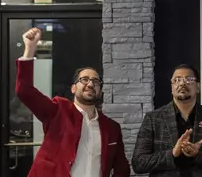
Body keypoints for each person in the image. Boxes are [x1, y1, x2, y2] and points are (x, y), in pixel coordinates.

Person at [15, 27, 129, 177]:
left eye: (96, 81)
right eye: (84, 80)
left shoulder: (111, 128)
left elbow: (122, 169)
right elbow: (24, 91)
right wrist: (29, 50)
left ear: (100, 90)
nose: (90, 84)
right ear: (73, 88)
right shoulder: (58, 111)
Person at [131, 64, 202, 176]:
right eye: (177, 80)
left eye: (189, 79)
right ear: (172, 88)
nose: (182, 83)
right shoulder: (153, 119)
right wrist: (172, 153)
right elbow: (138, 163)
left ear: (198, 87)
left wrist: (197, 155)